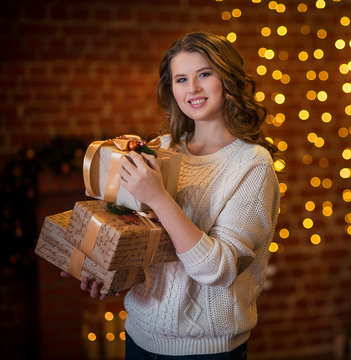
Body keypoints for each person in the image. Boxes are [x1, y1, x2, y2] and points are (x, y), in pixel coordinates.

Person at [73, 32, 281, 359]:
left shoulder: (252, 164)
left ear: (228, 79)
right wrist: (102, 269)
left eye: (204, 74)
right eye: (181, 79)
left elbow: (219, 270)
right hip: (139, 337)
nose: (192, 88)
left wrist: (158, 197)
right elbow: (142, 237)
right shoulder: (165, 148)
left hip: (206, 351)